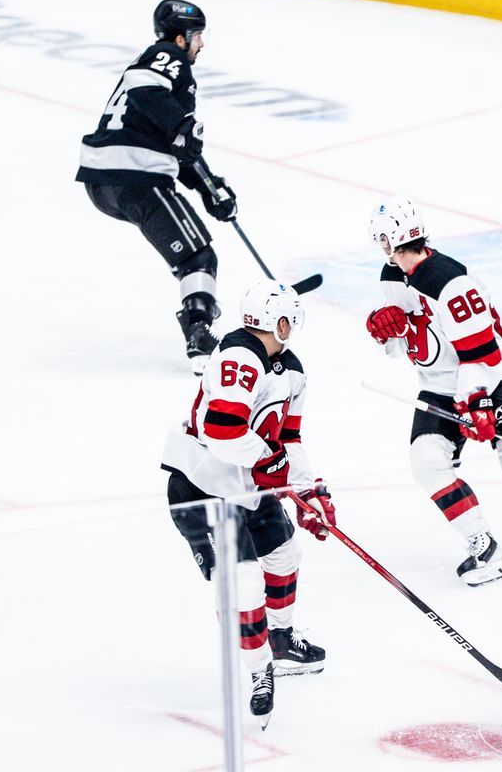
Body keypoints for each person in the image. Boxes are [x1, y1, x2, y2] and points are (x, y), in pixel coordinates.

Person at [365, 196, 502, 587]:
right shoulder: (391, 277)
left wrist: (476, 401)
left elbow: (484, 353)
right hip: (440, 387)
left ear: (388, 240)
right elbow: (404, 347)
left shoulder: (449, 280)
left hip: (496, 379)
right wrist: (385, 331)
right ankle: (486, 548)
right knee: (427, 461)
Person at [161, 279, 331, 726]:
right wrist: (266, 458)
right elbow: (221, 431)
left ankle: (279, 638)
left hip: (245, 487)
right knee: (245, 586)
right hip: (201, 489)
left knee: (284, 554)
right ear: (279, 320)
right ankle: (260, 672)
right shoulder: (238, 358)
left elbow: (288, 438)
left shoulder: (290, 370)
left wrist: (309, 489)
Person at [75, 0, 239, 375]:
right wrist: (182, 125)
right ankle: (199, 337)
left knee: (191, 254)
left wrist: (209, 187)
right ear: (182, 38)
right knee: (197, 258)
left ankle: (198, 324)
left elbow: (175, 146)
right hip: (135, 175)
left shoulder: (167, 81)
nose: (200, 45)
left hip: (107, 179)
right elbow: (143, 86)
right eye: (198, 37)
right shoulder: (167, 56)